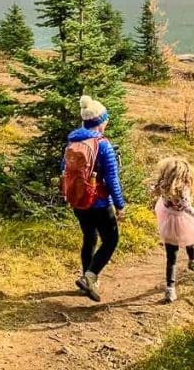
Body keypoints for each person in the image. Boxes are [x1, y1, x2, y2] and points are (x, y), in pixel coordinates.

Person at [61, 95, 125, 302]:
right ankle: (90, 276)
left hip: (78, 201)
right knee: (111, 239)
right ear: (100, 121)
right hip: (98, 202)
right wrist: (120, 205)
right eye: (105, 119)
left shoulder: (72, 141)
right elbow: (112, 179)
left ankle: (86, 282)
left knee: (89, 237)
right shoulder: (103, 145)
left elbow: (64, 170)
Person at [150, 156, 194, 303]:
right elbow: (186, 206)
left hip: (167, 219)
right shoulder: (183, 189)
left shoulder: (164, 185)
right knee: (189, 237)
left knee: (171, 258)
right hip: (180, 218)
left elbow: (153, 192)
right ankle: (193, 259)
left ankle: (170, 289)